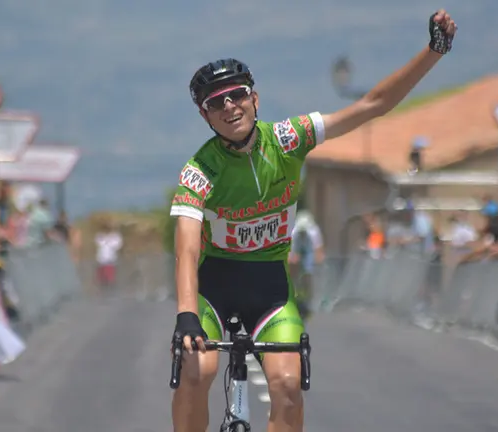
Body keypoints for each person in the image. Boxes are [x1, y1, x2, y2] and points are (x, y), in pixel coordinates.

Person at [169, 11, 456, 432]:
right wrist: (186, 314)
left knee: (287, 386)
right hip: (215, 288)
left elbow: (372, 105)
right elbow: (186, 249)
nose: (229, 106)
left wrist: (435, 51)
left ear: (255, 99)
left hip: (269, 287)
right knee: (197, 373)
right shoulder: (199, 169)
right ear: (205, 116)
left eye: (238, 95)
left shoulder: (289, 138)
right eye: (216, 102)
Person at [288, 210, 324, 320]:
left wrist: (318, 257)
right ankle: (294, 291)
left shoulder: (313, 232)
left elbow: (318, 248)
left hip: (309, 250)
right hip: (298, 247)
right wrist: (292, 259)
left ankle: (307, 292)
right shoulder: (294, 231)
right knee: (292, 269)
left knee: (308, 271)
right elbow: (291, 250)